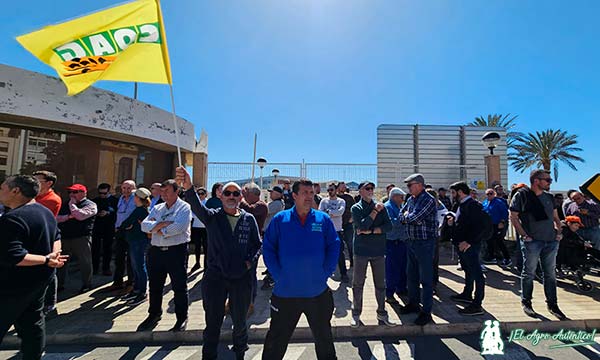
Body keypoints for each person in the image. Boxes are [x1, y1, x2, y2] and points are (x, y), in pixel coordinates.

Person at [177, 167, 261, 360]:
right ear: (220, 196)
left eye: (236, 193)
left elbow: (257, 245)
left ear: (241, 197)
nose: (231, 196)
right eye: (227, 193)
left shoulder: (248, 219)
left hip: (241, 278)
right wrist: (189, 187)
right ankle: (208, 355)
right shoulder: (213, 217)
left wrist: (249, 263)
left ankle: (240, 352)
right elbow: (197, 207)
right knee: (213, 322)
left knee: (240, 321)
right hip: (216, 277)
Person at [262, 178, 339, 360]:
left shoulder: (323, 219)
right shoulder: (280, 219)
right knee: (276, 341)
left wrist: (325, 272)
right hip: (285, 294)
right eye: (305, 193)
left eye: (311, 193)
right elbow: (268, 248)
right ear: (294, 195)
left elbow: (334, 246)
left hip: (317, 293)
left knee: (324, 340)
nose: (309, 197)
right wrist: (279, 275)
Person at [0, 175, 68, 360]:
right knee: (32, 324)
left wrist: (47, 259)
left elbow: (16, 256)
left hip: (12, 284)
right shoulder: (44, 212)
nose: (0, 192)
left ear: (16, 191)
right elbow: (57, 237)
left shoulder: (12, 219)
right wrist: (53, 257)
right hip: (38, 281)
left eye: (2, 188)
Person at [510, 169, 566, 320]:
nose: (549, 182)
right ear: (536, 181)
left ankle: (553, 305)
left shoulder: (549, 197)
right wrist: (524, 235)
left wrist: (559, 231)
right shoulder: (522, 195)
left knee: (550, 274)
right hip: (533, 241)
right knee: (529, 273)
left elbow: (555, 216)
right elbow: (513, 217)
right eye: (547, 180)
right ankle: (526, 302)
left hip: (551, 241)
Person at [138, 179, 191, 332]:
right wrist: (162, 225)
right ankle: (154, 314)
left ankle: (181, 317)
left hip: (176, 251)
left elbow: (179, 227)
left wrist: (156, 228)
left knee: (179, 286)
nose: (164, 195)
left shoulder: (184, 207)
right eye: (162, 192)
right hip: (156, 251)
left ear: (176, 191)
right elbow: (144, 225)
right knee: (155, 285)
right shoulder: (158, 207)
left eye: (167, 191)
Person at [350, 180, 395, 327]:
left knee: (380, 284)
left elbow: (389, 226)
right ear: (360, 191)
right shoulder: (356, 208)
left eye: (372, 188)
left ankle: (382, 313)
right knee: (358, 284)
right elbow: (361, 224)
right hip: (361, 251)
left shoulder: (382, 208)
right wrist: (375, 212)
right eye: (367, 188)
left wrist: (370, 231)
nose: (370, 190)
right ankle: (356, 314)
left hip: (378, 250)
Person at [397, 173, 438, 326]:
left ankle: (426, 312)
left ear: (420, 185)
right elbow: (401, 216)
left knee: (426, 279)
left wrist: (408, 216)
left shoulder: (428, 200)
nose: (408, 188)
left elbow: (414, 218)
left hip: (425, 243)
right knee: (411, 276)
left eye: (410, 185)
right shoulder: (411, 199)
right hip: (412, 242)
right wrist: (408, 216)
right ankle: (414, 304)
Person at [447, 181, 488, 316]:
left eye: (453, 192)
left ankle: (477, 304)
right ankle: (467, 294)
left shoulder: (474, 205)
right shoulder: (460, 205)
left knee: (477, 273)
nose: (452, 196)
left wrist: (469, 241)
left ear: (460, 192)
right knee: (468, 270)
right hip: (461, 244)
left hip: (470, 245)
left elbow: (481, 226)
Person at [56, 183, 98, 293]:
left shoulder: (91, 204)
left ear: (84, 193)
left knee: (85, 262)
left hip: (81, 237)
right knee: (61, 262)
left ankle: (87, 284)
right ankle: (59, 284)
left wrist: (72, 206)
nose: (71, 195)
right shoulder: (64, 204)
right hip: (65, 236)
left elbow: (80, 216)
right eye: (70, 192)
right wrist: (68, 217)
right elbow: (56, 218)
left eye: (75, 192)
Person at [32, 171, 62, 315]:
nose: (35, 183)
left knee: (49, 270)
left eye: (38, 180)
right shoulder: (34, 197)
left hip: (45, 238)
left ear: (49, 183)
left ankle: (50, 304)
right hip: (33, 238)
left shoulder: (52, 199)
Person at [240, 182, 268, 314]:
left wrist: (241, 198)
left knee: (251, 275)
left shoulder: (261, 206)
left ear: (252, 194)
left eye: (246, 193)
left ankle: (250, 302)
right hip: (241, 243)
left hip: (253, 245)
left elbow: (250, 210)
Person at [120, 188, 151, 306]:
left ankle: (142, 292)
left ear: (137, 198)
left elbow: (126, 223)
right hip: (135, 241)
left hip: (138, 241)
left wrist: (126, 226)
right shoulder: (141, 210)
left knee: (139, 266)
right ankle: (137, 289)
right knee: (136, 266)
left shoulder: (140, 211)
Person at [107, 180, 137, 292]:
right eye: (124, 188)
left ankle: (131, 282)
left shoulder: (136, 198)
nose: (126, 190)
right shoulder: (121, 198)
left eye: (129, 188)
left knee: (130, 258)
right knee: (118, 257)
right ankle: (117, 282)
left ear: (134, 188)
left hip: (131, 231)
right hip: (120, 231)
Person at [319, 182, 348, 283]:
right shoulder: (324, 201)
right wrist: (332, 214)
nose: (330, 192)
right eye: (328, 190)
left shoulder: (341, 201)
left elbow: (341, 212)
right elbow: (321, 213)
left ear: (336, 190)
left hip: (337, 231)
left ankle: (344, 274)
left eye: (331, 189)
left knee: (340, 254)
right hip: (326, 232)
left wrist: (329, 213)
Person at [384, 187, 408, 305]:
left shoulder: (397, 206)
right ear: (394, 196)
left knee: (402, 267)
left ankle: (401, 288)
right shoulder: (388, 207)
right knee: (392, 269)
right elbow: (392, 223)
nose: (402, 199)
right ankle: (389, 294)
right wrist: (404, 219)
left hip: (401, 242)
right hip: (393, 242)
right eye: (401, 197)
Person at [91, 183, 118, 276]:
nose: (102, 195)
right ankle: (94, 268)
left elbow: (116, 212)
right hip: (97, 227)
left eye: (104, 193)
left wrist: (108, 213)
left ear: (109, 191)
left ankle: (106, 268)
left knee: (108, 248)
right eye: (100, 193)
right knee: (95, 248)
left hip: (109, 227)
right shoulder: (95, 200)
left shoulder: (115, 200)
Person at [482, 189, 511, 267]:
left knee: (499, 241)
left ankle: (507, 258)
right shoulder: (485, 202)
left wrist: (502, 222)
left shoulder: (499, 202)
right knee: (489, 240)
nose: (489, 195)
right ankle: (491, 257)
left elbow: (505, 212)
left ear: (494, 194)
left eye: (491, 193)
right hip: (489, 225)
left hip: (497, 225)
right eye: (487, 194)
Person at [337, 181, 355, 267]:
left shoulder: (349, 197)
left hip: (348, 224)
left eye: (345, 186)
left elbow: (354, 208)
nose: (344, 187)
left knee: (350, 243)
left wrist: (352, 218)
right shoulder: (335, 198)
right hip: (337, 224)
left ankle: (352, 261)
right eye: (342, 186)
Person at [190, 187, 208, 272]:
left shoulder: (207, 202)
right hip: (196, 227)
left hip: (205, 228)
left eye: (202, 193)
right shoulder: (195, 203)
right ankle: (197, 263)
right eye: (198, 194)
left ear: (205, 194)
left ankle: (206, 265)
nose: (200, 195)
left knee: (206, 247)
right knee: (197, 246)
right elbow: (192, 214)